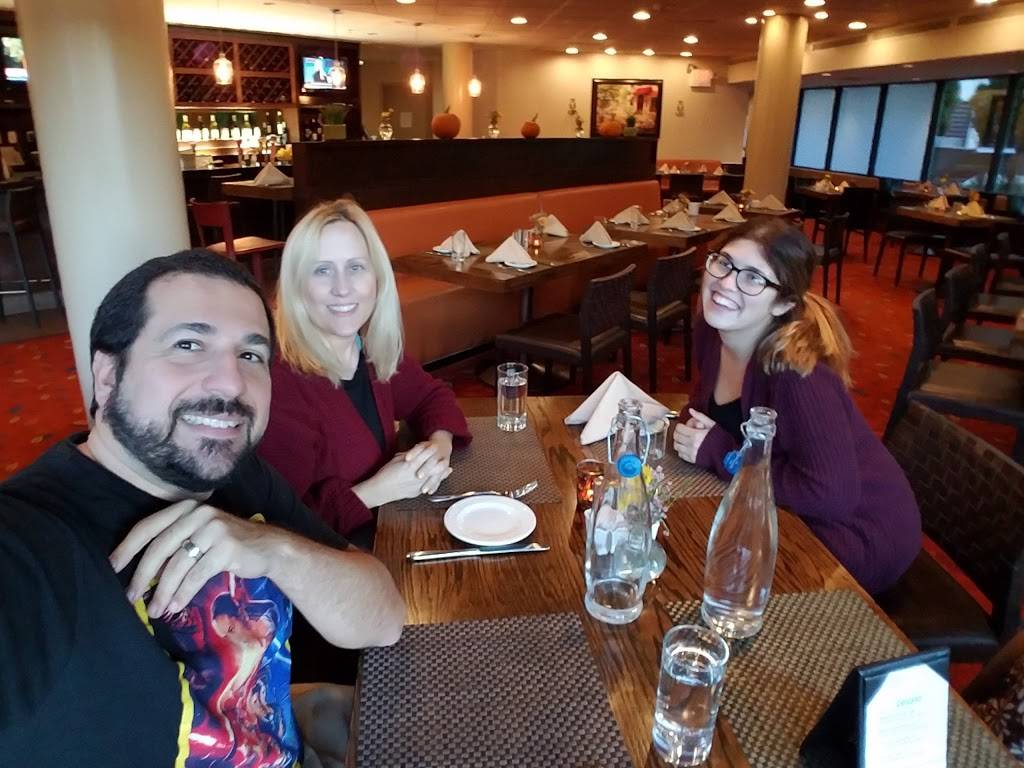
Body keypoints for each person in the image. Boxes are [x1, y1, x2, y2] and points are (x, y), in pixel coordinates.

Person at [0, 250, 405, 767]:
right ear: (107, 375)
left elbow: (382, 619)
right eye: (188, 345)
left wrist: (273, 550)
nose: (231, 383)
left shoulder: (240, 476)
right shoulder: (29, 545)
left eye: (251, 355)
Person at [673, 218, 921, 594]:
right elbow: (705, 408)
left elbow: (830, 496)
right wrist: (692, 427)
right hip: (777, 510)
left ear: (784, 303)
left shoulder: (798, 376)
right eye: (724, 263)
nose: (726, 283)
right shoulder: (713, 330)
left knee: (699, 576)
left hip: (848, 536)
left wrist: (723, 454)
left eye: (753, 278)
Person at [258, 199, 471, 540]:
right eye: (322, 270)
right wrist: (374, 492)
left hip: (390, 536)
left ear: (377, 278)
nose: (342, 287)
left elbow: (432, 396)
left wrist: (439, 445)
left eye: (356, 267)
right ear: (297, 285)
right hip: (337, 562)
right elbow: (279, 529)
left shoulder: (369, 350)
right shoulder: (280, 384)